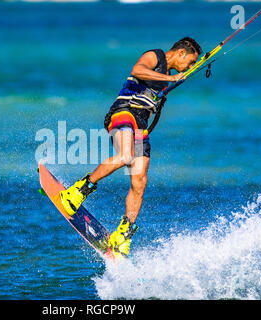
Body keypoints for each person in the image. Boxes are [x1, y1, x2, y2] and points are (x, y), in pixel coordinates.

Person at [60, 37, 202, 259]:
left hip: (140, 123)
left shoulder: (166, 81)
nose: (190, 67)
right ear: (181, 53)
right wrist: (170, 77)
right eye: (191, 62)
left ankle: (123, 234)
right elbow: (138, 70)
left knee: (140, 180)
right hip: (123, 111)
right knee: (125, 155)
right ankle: (78, 190)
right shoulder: (155, 55)